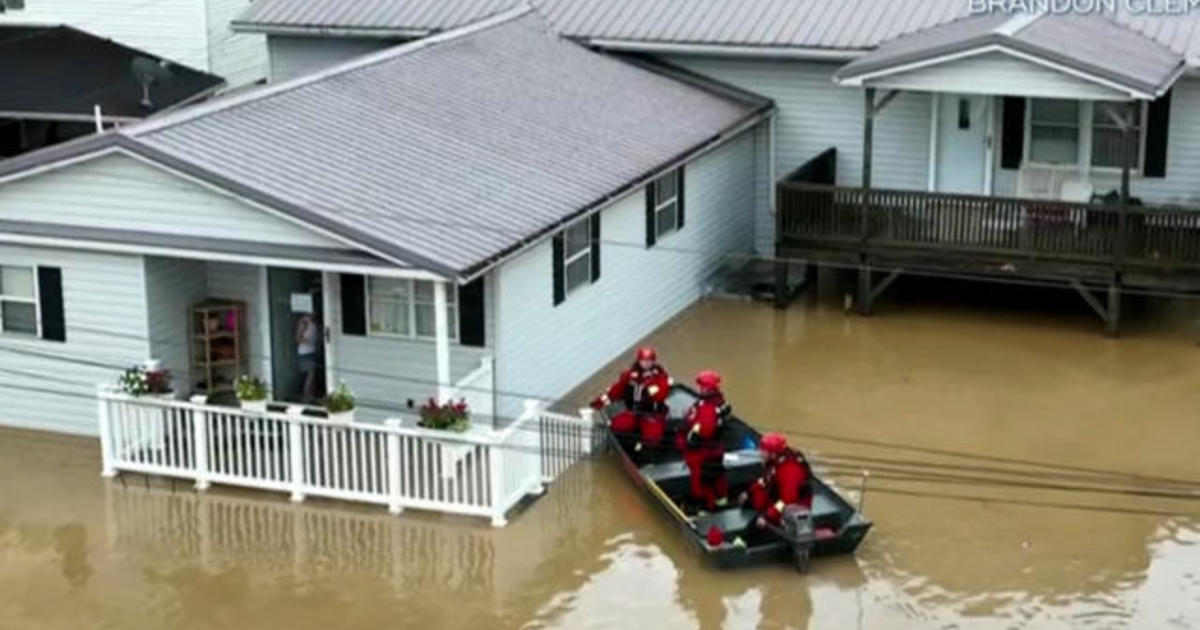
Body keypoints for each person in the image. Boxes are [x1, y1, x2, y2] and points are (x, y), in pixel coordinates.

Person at [590, 347, 671, 454]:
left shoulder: (660, 376)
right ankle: (626, 448)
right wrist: (600, 400)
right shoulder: (629, 375)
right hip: (632, 411)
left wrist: (649, 385)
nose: (646, 363)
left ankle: (645, 453)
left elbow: (661, 394)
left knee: (653, 438)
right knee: (618, 426)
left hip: (651, 413)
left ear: (653, 361)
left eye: (649, 360)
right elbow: (616, 390)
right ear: (639, 360)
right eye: (643, 360)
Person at [678, 370, 730, 512]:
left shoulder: (707, 406)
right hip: (715, 449)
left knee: (699, 481)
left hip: (701, 452)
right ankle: (722, 502)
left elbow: (704, 428)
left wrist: (690, 439)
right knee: (717, 476)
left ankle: (704, 508)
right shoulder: (718, 402)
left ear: (705, 387)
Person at [744, 432, 814, 529]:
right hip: (779, 497)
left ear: (773, 453)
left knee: (754, 526)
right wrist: (749, 492)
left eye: (763, 451)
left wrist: (769, 515)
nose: (760, 453)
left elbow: (787, 500)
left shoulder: (789, 470)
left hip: (792, 506)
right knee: (750, 500)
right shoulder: (775, 462)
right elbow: (765, 480)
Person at [295, 312, 320, 403]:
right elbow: (298, 338)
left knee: (313, 375)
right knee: (310, 374)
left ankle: (311, 395)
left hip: (312, 351)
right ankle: (306, 396)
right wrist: (306, 340)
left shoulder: (315, 323)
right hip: (305, 352)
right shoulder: (304, 322)